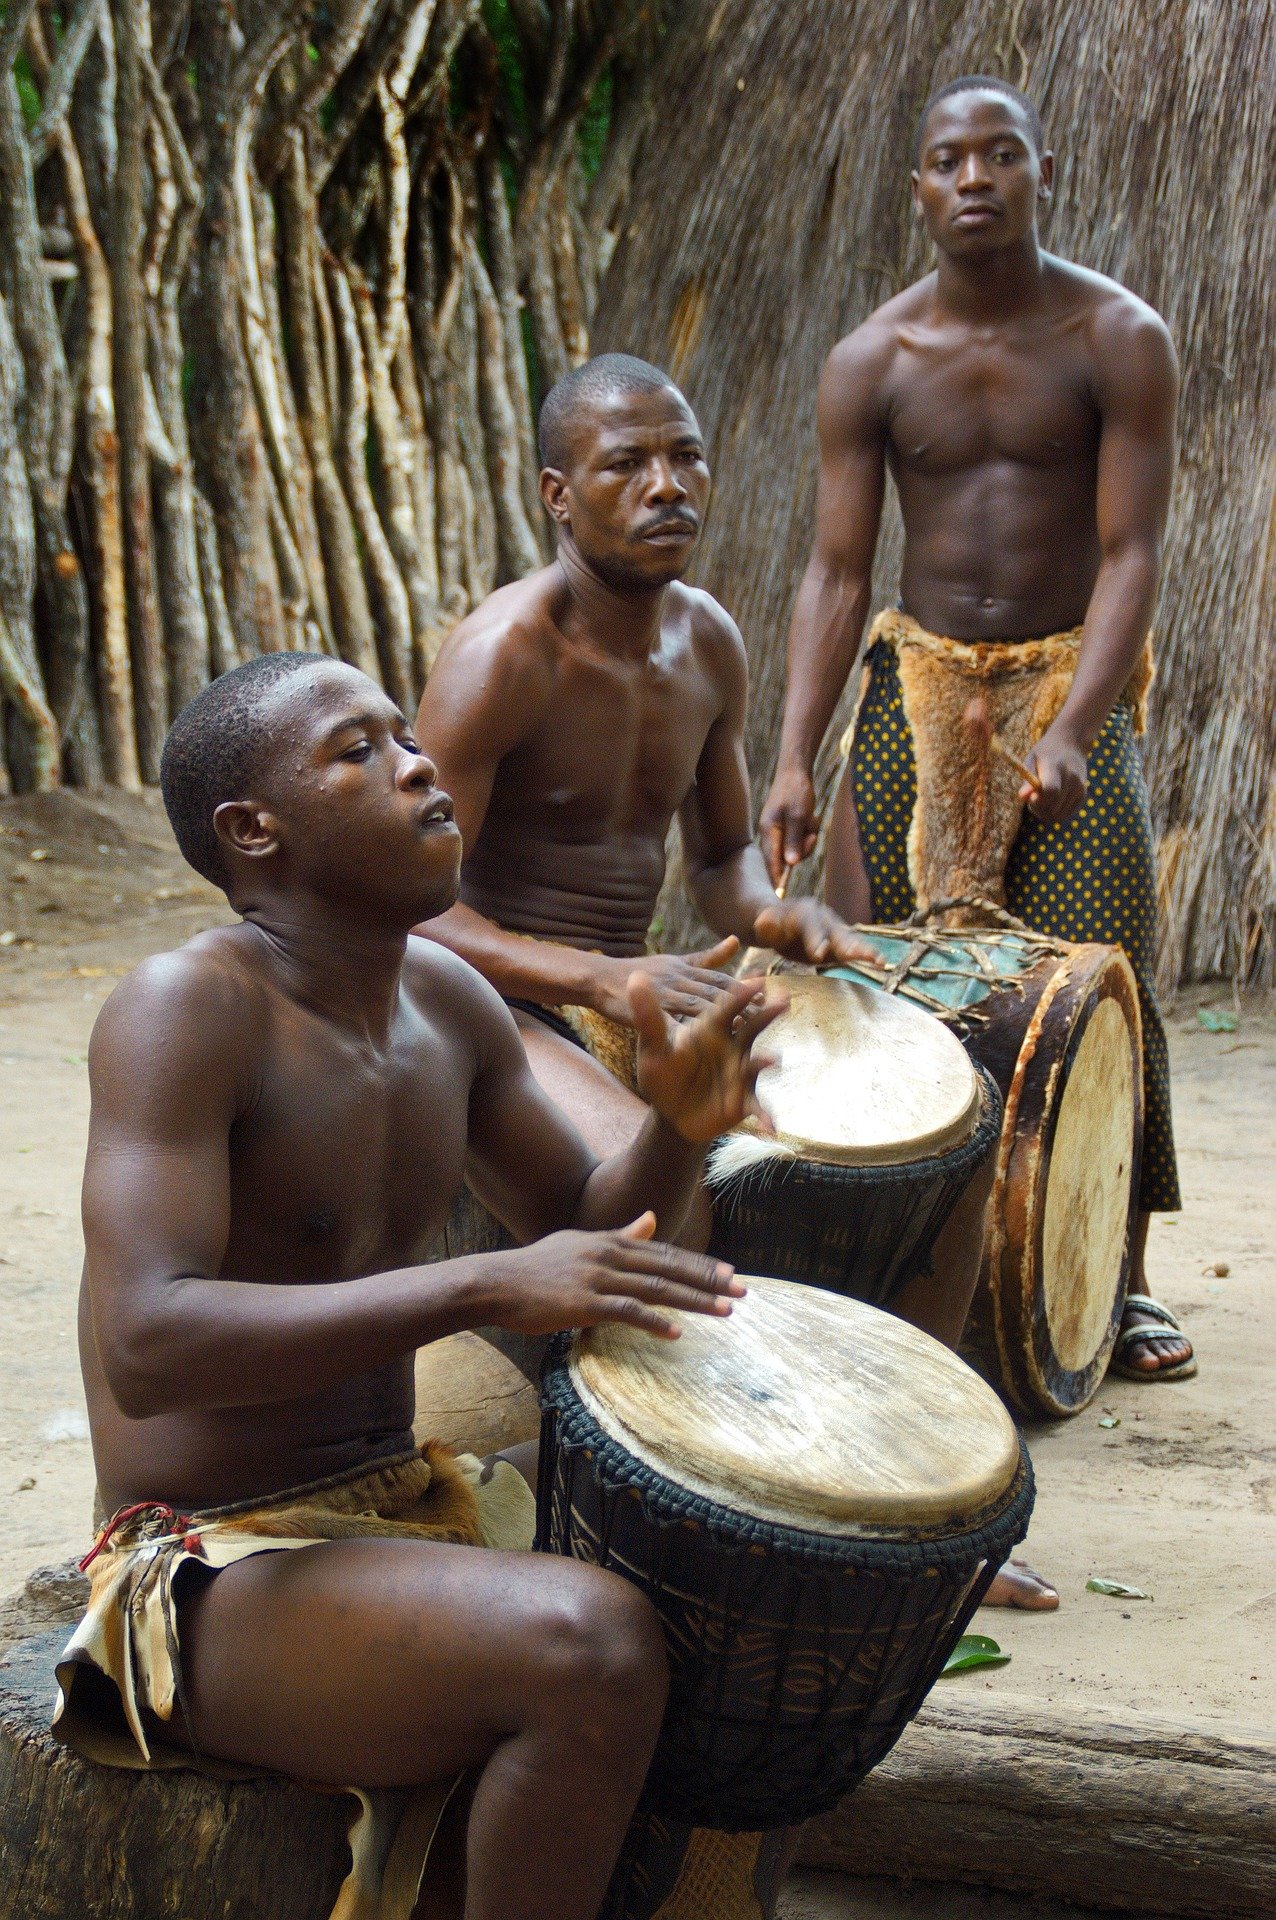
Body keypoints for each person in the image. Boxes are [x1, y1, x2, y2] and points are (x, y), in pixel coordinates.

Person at [58, 650, 786, 1920]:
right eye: (360, 751)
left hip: (397, 1507)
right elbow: (148, 1341)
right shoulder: (185, 1008)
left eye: (407, 735)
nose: (419, 767)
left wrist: (677, 1127)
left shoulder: (442, 998)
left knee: (723, 1562)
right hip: (208, 1572)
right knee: (589, 1648)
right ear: (253, 831)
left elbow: (590, 1228)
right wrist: (479, 1289)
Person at [415, 354, 1050, 1608]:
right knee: (681, 1200)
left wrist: (777, 914)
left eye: (685, 456)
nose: (667, 486)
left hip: (639, 985)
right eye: (624, 465)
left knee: (953, 1134)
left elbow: (712, 859)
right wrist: (599, 976)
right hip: (501, 1005)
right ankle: (725, 1513)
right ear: (557, 492)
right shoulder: (503, 657)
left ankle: (902, 1487)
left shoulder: (706, 639)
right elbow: (415, 905)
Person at [759, 75, 1192, 1385]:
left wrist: (1077, 722)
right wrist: (792, 752)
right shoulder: (873, 360)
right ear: (919, 188)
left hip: (1069, 671)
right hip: (923, 679)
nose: (974, 180)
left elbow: (1130, 553)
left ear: (1040, 171)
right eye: (949, 160)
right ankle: (904, 1267)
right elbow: (837, 574)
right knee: (890, 973)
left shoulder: (1117, 337)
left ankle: (1120, 1283)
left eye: (1000, 156)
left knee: (1106, 961)